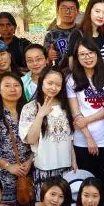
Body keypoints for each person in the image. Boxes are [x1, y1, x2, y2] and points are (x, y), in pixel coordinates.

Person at [19, 66, 75, 198]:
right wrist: (40, 115)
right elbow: (31, 139)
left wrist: (74, 161)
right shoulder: (30, 107)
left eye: (58, 85)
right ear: (41, 82)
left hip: (66, 167)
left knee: (64, 203)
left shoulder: (65, 106)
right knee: (45, 203)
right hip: (44, 167)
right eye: (50, 83)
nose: (53, 88)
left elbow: (70, 138)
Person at [66, 37, 104, 187]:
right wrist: (88, 138)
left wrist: (87, 120)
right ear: (77, 58)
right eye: (82, 54)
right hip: (82, 139)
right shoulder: (72, 80)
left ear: (97, 54)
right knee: (86, 184)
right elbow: (75, 113)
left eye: (90, 53)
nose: (87, 57)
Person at [0, 72, 33, 205]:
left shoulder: (29, 110)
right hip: (3, 176)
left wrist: (30, 161)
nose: (13, 89)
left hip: (29, 173)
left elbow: (39, 140)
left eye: (16, 85)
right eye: (7, 86)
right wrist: (8, 166)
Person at [61, 0, 104, 71]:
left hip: (101, 77)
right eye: (97, 11)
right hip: (83, 77)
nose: (101, 16)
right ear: (89, 12)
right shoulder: (77, 34)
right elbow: (71, 65)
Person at [44, 0, 79, 65]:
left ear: (77, 11)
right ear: (58, 10)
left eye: (72, 8)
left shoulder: (83, 30)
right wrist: (49, 57)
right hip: (60, 71)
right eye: (64, 8)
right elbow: (46, 63)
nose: (68, 12)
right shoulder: (50, 35)